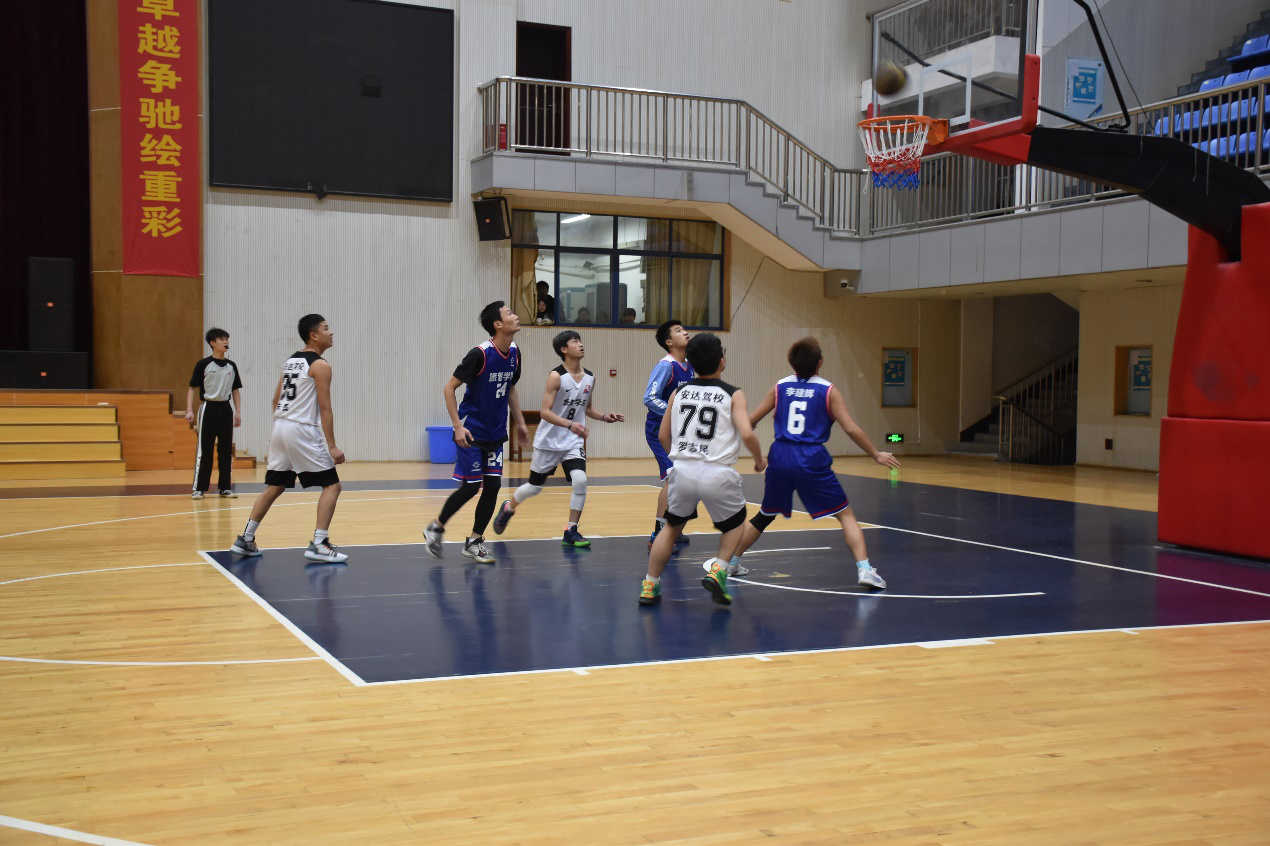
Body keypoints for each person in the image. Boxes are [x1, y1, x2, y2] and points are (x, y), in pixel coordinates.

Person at [722, 336, 899, 589]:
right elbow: (850, 428)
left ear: (792, 363)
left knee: (765, 515)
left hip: (780, 455)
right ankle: (865, 570)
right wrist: (875, 454)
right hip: (810, 456)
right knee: (845, 514)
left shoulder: (780, 387)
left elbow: (749, 422)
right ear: (820, 362)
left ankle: (731, 563)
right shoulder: (828, 390)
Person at [638, 333, 765, 607]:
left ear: (692, 363)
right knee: (735, 523)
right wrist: (759, 459)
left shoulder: (678, 392)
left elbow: (662, 435)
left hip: (682, 471)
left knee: (670, 529)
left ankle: (649, 585)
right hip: (717, 471)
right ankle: (719, 570)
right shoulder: (733, 393)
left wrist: (679, 458)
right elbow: (747, 432)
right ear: (722, 361)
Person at [230, 314, 348, 563]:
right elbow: (325, 408)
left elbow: (276, 400)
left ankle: (246, 539)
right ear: (314, 335)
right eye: (326, 328)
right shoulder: (321, 365)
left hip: (281, 426)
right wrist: (332, 446)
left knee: (276, 486)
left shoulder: (291, 361)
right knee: (332, 486)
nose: (331, 332)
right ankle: (319, 543)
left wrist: (281, 438)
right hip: (301, 429)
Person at [492, 330, 624, 546]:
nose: (580, 344)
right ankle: (509, 507)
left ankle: (571, 530)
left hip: (572, 441)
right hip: (549, 440)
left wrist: (603, 416)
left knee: (580, 481)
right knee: (534, 487)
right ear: (564, 349)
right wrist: (570, 424)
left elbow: (587, 408)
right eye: (575, 341)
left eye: (580, 341)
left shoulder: (590, 377)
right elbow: (544, 412)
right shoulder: (556, 376)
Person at [423, 301, 530, 564]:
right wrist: (457, 426)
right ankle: (435, 527)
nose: (515, 316)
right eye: (509, 313)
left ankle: (474, 541)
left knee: (493, 486)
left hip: (496, 432)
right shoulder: (480, 354)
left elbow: (510, 387)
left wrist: (520, 422)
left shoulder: (514, 352)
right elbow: (449, 388)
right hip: (471, 431)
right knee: (472, 486)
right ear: (498, 324)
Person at [643, 319, 695, 549]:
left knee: (688, 479)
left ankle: (675, 528)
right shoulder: (666, 366)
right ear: (669, 342)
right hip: (660, 430)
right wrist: (675, 412)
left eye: (684, 329)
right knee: (672, 478)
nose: (685, 332)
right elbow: (649, 398)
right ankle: (658, 535)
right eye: (678, 331)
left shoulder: (690, 366)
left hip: (681, 431)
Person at [186, 328, 243, 499]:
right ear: (212, 343)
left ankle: (225, 488)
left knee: (225, 450)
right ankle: (199, 488)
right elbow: (192, 388)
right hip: (208, 408)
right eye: (222, 339)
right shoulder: (203, 364)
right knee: (205, 450)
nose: (226, 342)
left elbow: (235, 390)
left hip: (225, 409)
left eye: (227, 339)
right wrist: (189, 409)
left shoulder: (231, 366)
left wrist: (238, 412)